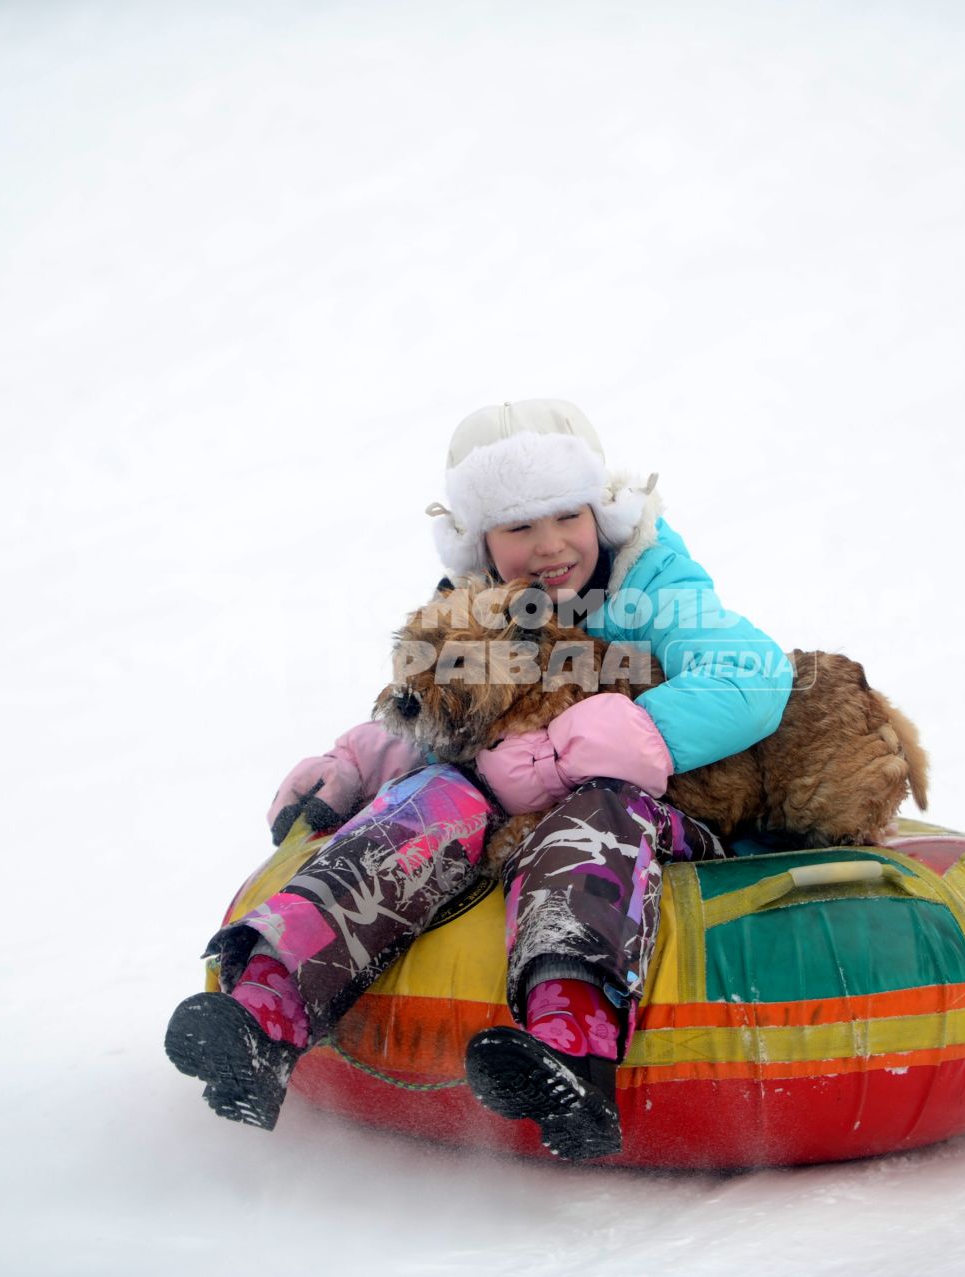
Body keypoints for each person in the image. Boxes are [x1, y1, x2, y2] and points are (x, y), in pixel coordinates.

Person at [164, 398, 793, 1160]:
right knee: (437, 796)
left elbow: (752, 674)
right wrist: (357, 764)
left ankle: (572, 1053)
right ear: (480, 542)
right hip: (508, 820)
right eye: (519, 527)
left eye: (568, 515)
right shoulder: (469, 605)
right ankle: (266, 1012)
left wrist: (579, 748)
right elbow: (433, 717)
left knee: (595, 810)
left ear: (603, 510)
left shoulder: (653, 580)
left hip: (667, 815)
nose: (551, 545)